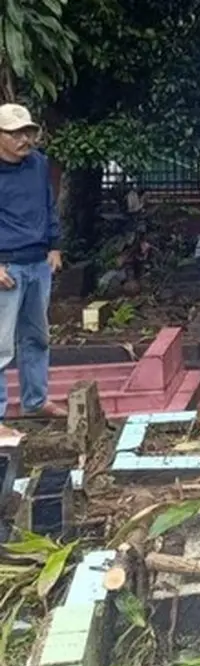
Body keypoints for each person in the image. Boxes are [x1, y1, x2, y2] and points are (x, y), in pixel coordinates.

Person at [0, 103, 67, 437]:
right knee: (0, 346)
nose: (24, 139)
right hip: (6, 266)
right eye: (14, 133)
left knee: (37, 337)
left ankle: (35, 400)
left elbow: (48, 204)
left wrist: (54, 245)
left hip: (37, 262)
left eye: (27, 131)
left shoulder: (38, 164)